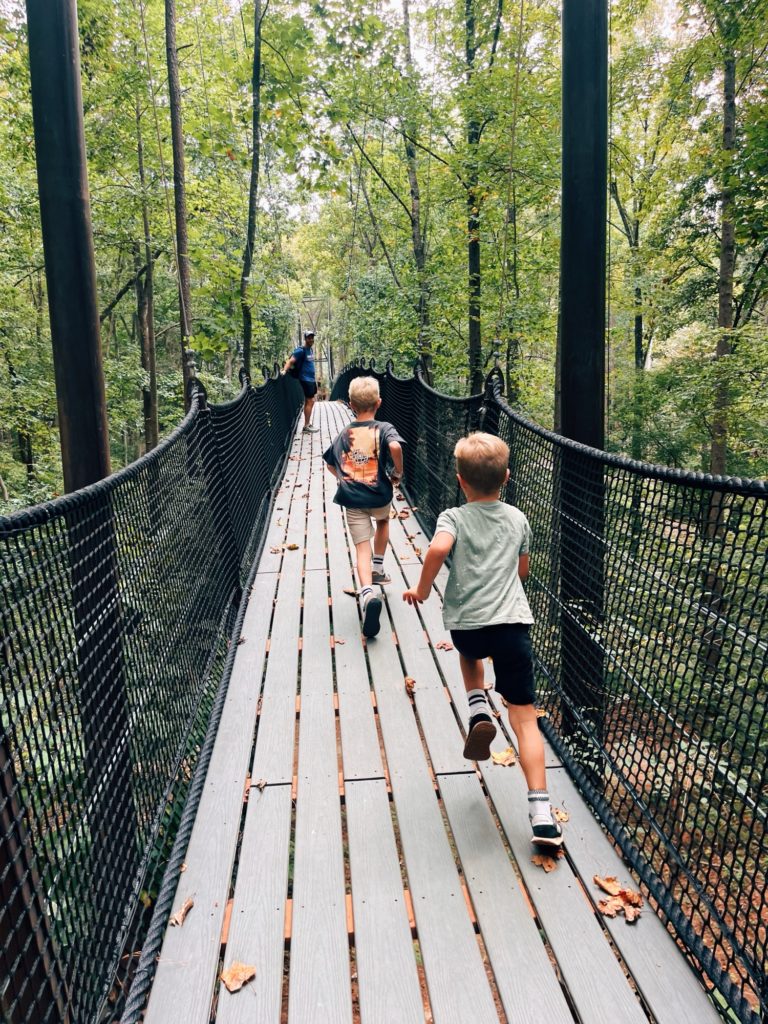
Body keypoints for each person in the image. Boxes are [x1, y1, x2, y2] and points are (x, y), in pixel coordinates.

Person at [403, 432, 563, 848]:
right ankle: (542, 813)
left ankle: (477, 709)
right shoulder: (518, 519)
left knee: (470, 656)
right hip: (511, 624)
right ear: (506, 477)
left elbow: (437, 551)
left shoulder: (452, 517)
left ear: (460, 481)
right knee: (525, 719)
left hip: (468, 625)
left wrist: (421, 590)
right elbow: (522, 572)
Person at [324, 376, 404, 639]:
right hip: (379, 495)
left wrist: (343, 478)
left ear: (350, 405)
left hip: (353, 499)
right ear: (379, 402)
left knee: (361, 547)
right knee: (382, 522)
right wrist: (397, 473)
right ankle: (379, 566)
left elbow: (329, 462)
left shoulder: (344, 433)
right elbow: (394, 446)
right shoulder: (384, 427)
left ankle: (368, 592)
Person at [284, 330, 319, 433]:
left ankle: (307, 424)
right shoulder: (301, 350)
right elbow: (291, 361)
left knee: (310, 401)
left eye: (312, 337)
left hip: (311, 379)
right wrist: (284, 370)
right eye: (309, 337)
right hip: (305, 379)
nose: (311, 339)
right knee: (310, 401)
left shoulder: (310, 350)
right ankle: (306, 426)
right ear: (305, 339)